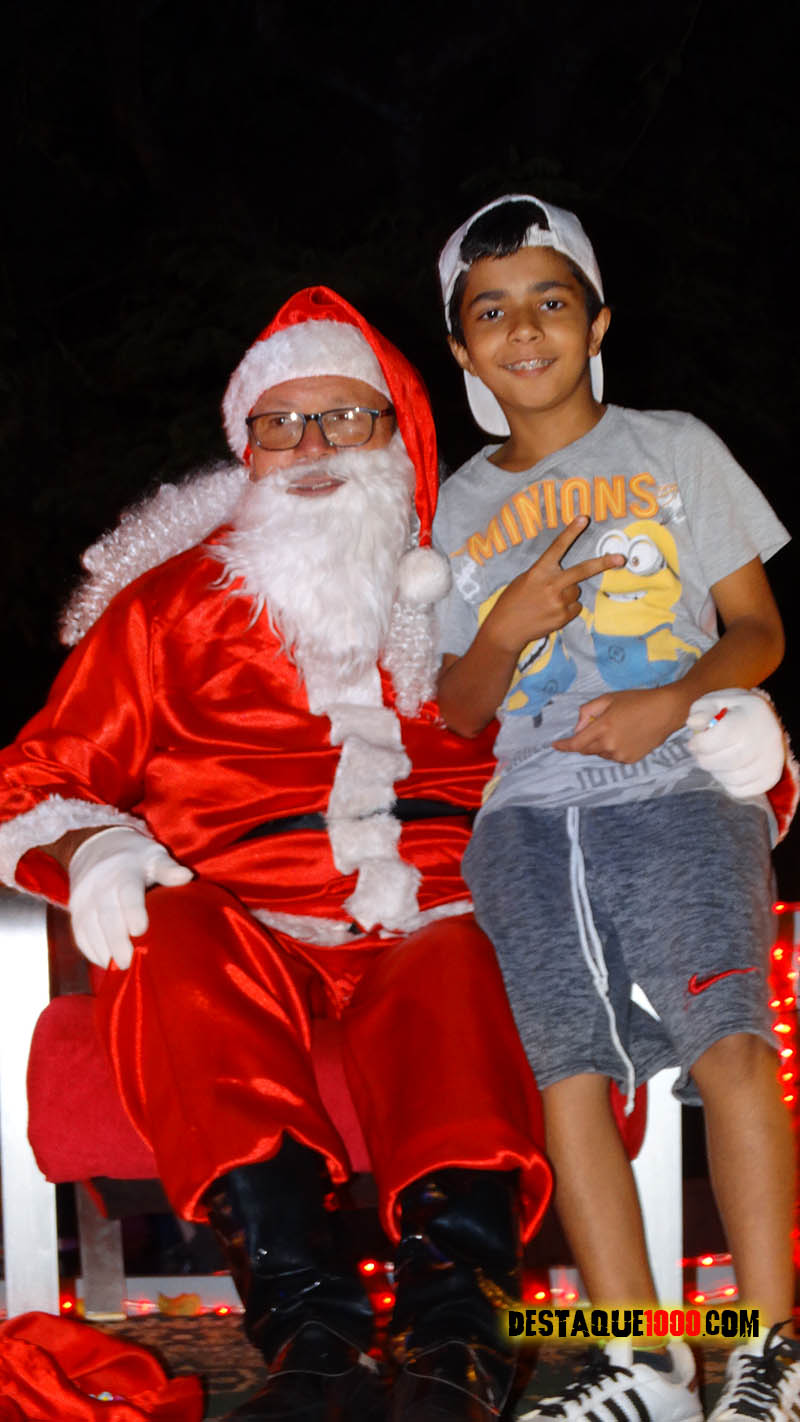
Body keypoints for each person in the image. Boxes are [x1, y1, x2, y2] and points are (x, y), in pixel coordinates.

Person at [0, 285, 569, 1422]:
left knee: (459, 962)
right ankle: (311, 1336)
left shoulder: (484, 601)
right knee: (164, 931)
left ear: (400, 438)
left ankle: (456, 1342)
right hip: (238, 925)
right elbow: (36, 775)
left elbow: (618, 723)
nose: (310, 448)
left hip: (432, 919)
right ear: (245, 449)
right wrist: (94, 847)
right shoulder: (164, 610)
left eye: (343, 417)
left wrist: (737, 750)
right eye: (280, 423)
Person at [433, 194, 799, 1422]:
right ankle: (638, 1360)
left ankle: (768, 1351)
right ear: (461, 349)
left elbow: (756, 629)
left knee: (727, 1043)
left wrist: (669, 702)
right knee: (567, 1072)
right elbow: (458, 708)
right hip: (526, 823)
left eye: (549, 301)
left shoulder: (672, 448)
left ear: (595, 323)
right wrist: (503, 628)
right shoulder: (457, 506)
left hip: (676, 788)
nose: (522, 329)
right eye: (491, 311)